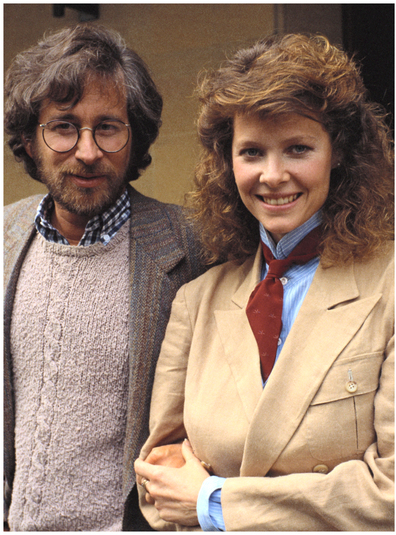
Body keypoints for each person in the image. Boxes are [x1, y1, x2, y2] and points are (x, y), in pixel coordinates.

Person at [132, 33, 395, 531]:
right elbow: (158, 479)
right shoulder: (195, 301)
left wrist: (214, 501)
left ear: (337, 152)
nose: (273, 175)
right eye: (252, 152)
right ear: (227, 163)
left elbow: (395, 492)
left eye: (298, 148)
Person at [3, 25, 207, 531]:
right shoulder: (6, 235)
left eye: (109, 127)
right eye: (64, 126)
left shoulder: (192, 246)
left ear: (134, 136)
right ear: (29, 139)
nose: (88, 151)